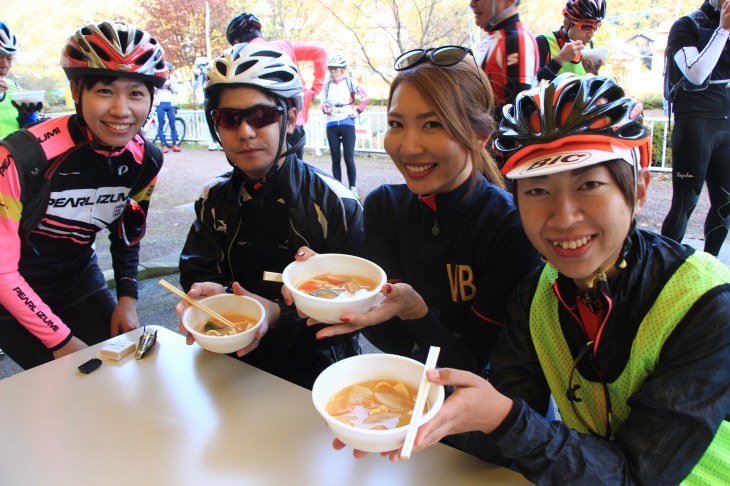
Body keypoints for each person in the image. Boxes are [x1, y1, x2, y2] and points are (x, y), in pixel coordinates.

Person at [353, 73, 730, 484]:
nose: (563, 218)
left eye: (588, 184)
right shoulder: (536, 295)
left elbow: (636, 476)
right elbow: (509, 427)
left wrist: (504, 419)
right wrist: (391, 423)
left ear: (638, 189)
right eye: (537, 191)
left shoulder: (705, 304)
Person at [286, 46, 540, 387]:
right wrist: (339, 290)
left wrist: (414, 312)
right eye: (396, 124)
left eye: (432, 124)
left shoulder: (511, 227)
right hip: (406, 396)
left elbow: (472, 363)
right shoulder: (384, 207)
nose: (408, 147)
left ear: (480, 135)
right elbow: (394, 340)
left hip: (491, 415)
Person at [176, 43, 364, 389]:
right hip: (229, 368)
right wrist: (208, 293)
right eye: (229, 118)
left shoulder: (337, 204)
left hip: (318, 377)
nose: (245, 132)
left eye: (261, 116)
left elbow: (352, 315)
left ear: (290, 119)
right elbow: (198, 269)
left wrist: (277, 315)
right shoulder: (213, 198)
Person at [0, 21, 168, 369]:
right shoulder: (20, 157)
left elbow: (127, 232)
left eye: (136, 93)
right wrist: (60, 340)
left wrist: (128, 298)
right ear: (77, 91)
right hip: (11, 294)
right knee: (71, 381)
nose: (121, 110)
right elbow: (2, 272)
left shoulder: (146, 159)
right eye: (105, 91)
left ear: (151, 98)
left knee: (127, 368)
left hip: (77, 276)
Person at [661, 0, 730, 257]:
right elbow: (695, 74)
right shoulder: (687, 25)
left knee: (726, 203)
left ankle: (708, 268)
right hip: (695, 121)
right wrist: (723, 31)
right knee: (685, 202)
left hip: (726, 122)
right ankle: (664, 268)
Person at [226, 11, 327, 159]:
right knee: (294, 174)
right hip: (293, 123)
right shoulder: (284, 45)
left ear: (236, 42)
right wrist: (315, 88)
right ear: (259, 33)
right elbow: (320, 52)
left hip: (262, 127)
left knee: (265, 176)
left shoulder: (241, 57)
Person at [471, 0, 538, 122]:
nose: (472, 4)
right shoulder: (493, 36)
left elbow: (519, 107)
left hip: (498, 137)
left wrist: (465, 117)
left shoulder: (516, 39)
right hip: (483, 134)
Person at [321, 53, 370, 198]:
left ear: (343, 69)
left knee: (349, 157)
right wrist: (325, 110)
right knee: (335, 158)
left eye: (336, 69)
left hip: (347, 122)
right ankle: (337, 187)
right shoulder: (327, 85)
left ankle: (352, 187)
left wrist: (358, 110)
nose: (333, 71)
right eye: (331, 69)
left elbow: (366, 97)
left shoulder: (350, 82)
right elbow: (322, 103)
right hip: (331, 124)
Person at [535, 0, 606, 82]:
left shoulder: (589, 46)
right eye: (586, 27)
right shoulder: (543, 43)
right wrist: (559, 60)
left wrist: (593, 75)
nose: (592, 34)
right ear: (567, 23)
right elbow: (531, 86)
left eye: (596, 26)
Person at [0, 21, 42, 138]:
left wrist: (28, 116)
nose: (4, 64)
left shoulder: (13, 89)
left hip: (14, 155)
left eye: (9, 58)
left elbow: (33, 135)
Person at [154, 61, 181, 153]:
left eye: (169, 70)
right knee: (160, 125)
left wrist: (171, 86)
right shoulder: (157, 78)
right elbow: (153, 89)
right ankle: (163, 145)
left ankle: (174, 144)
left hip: (170, 103)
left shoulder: (172, 79)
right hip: (160, 103)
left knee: (173, 124)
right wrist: (160, 85)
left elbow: (177, 91)